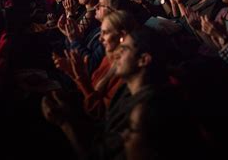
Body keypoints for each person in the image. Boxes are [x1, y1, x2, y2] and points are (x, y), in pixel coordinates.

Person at [43, 27, 167, 160]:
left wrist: (64, 123)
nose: (116, 54)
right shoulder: (127, 89)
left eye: (124, 49)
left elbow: (100, 154)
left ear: (143, 60)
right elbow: (103, 129)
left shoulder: (145, 111)